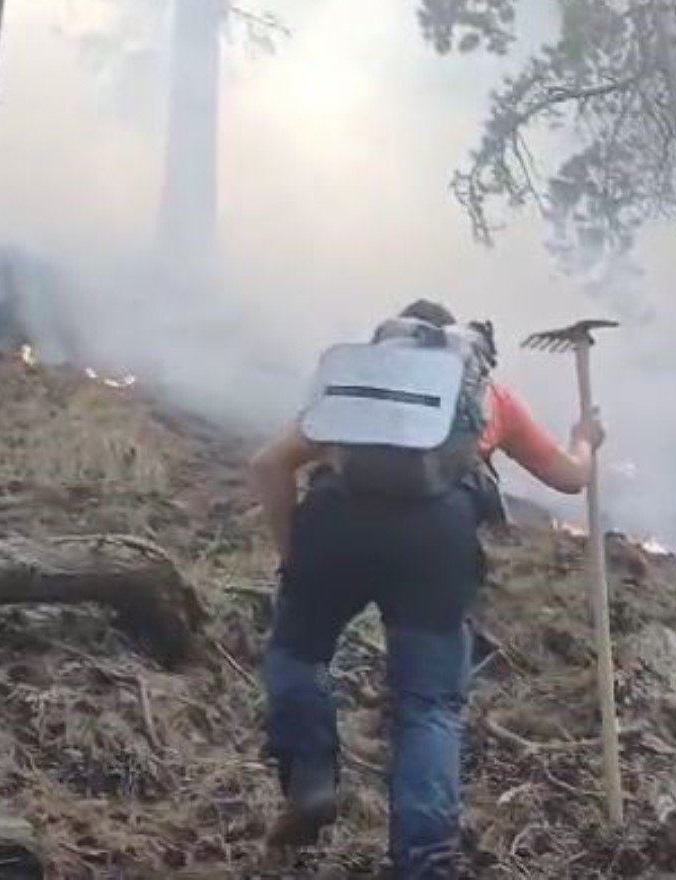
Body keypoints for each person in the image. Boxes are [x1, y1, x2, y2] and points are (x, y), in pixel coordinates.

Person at [247, 299, 603, 878]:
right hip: (435, 543)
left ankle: (310, 776)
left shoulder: (357, 389)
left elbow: (267, 464)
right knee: (428, 707)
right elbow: (568, 477)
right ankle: (424, 861)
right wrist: (585, 437)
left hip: (335, 526)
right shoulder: (487, 395)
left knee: (296, 656)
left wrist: (295, 559)